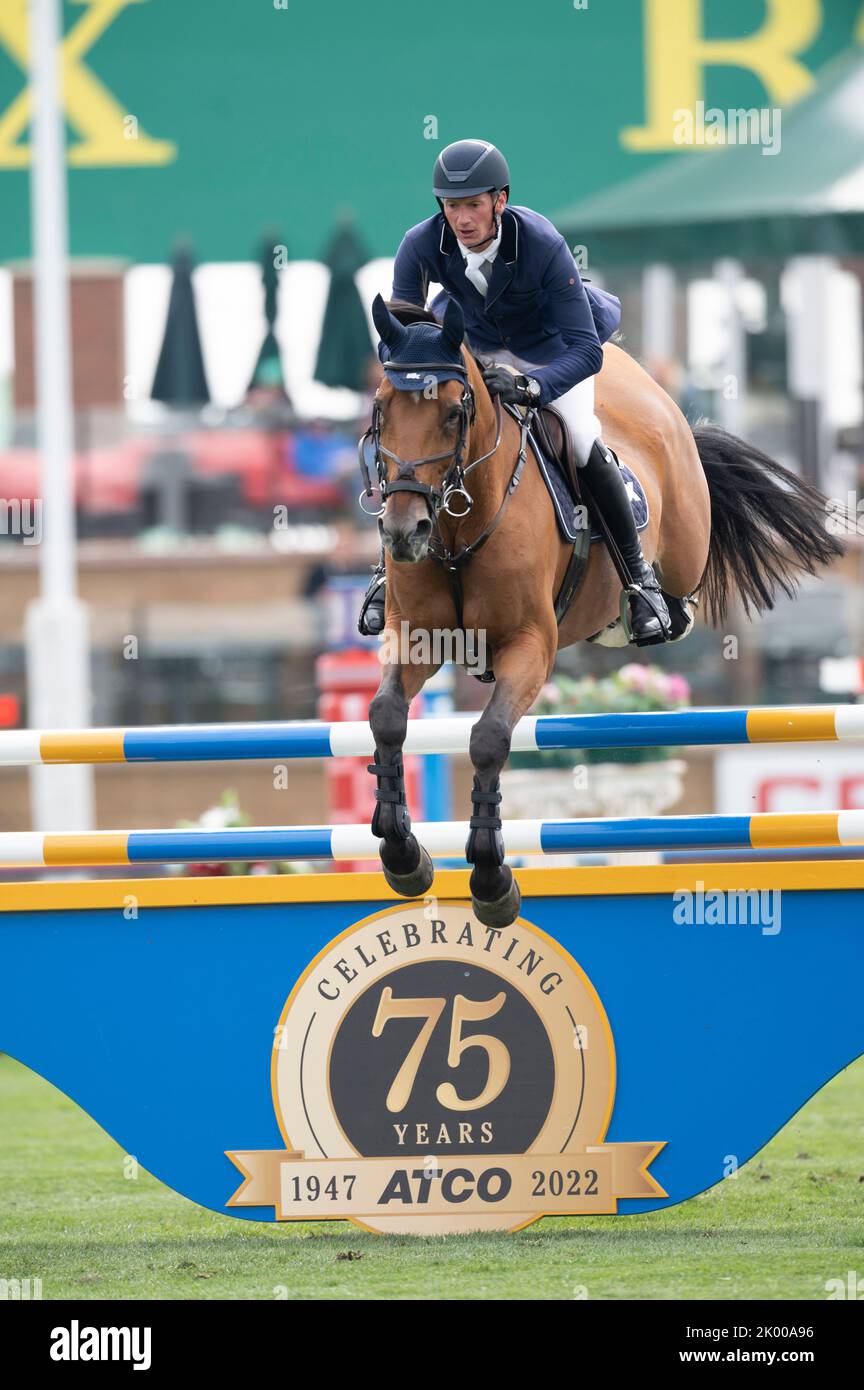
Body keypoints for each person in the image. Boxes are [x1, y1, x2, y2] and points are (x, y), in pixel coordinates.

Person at [359, 138, 671, 645]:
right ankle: (383, 574)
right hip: (477, 355)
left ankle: (640, 581)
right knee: (412, 444)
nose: (462, 218)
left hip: (553, 353)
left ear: (499, 201)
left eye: (473, 205)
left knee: (581, 439)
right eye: (452, 206)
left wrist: (530, 386)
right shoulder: (420, 244)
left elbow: (587, 352)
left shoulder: (541, 243)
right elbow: (404, 336)